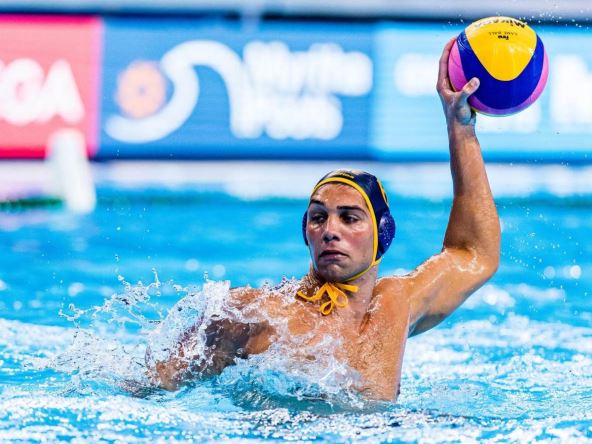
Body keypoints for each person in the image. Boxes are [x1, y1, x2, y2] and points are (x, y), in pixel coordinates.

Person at [146, 38, 500, 401]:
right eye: (318, 218)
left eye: (349, 218)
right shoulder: (258, 314)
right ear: (306, 232)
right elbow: (154, 388)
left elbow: (475, 254)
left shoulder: (395, 306)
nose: (330, 231)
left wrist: (461, 129)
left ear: (384, 234)